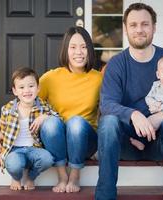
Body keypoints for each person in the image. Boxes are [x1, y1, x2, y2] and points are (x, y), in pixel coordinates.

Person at [95, 3, 163, 200]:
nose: (139, 30)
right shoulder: (117, 64)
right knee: (108, 122)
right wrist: (134, 115)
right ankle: (105, 196)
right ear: (126, 29)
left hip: (160, 144)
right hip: (125, 144)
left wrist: (162, 115)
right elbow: (107, 104)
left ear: (154, 28)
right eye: (133, 25)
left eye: (145, 24)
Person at [39, 26, 103, 193]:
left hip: (85, 142)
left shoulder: (99, 79)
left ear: (89, 50)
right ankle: (62, 176)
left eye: (83, 47)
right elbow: (26, 103)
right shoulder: (49, 78)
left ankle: (75, 175)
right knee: (50, 123)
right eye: (73, 47)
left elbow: (110, 110)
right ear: (65, 50)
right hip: (57, 140)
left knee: (75, 123)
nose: (79, 52)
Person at [0, 67, 57, 191]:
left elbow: (58, 118)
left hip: (35, 148)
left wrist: (45, 116)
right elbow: (5, 131)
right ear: (15, 91)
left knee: (47, 159)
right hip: (14, 150)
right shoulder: (8, 109)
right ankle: (16, 177)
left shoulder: (43, 106)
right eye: (21, 87)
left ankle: (31, 177)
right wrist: (2, 153)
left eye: (31, 86)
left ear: (38, 88)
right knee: (13, 164)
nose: (27, 90)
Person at [130, 55, 163, 150]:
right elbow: (148, 97)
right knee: (144, 121)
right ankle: (138, 139)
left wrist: (160, 108)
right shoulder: (156, 85)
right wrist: (153, 103)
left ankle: (147, 142)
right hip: (153, 109)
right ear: (158, 75)